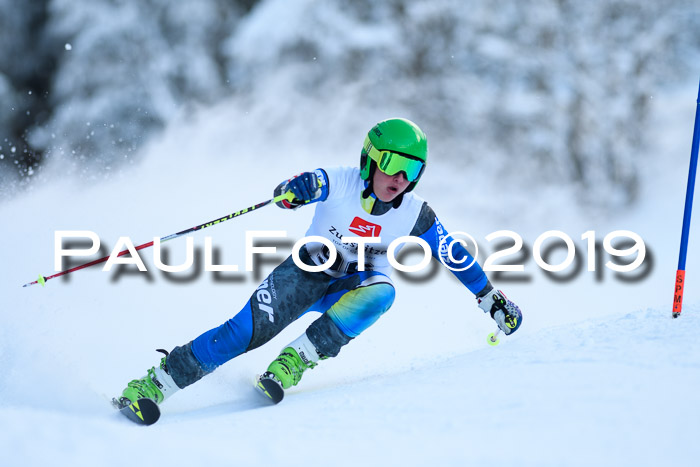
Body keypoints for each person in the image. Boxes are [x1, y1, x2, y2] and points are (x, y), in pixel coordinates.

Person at [113, 118, 523, 408]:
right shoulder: (342, 181)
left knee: (383, 292)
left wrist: (490, 298)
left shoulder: (414, 212)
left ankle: (295, 361)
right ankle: (152, 385)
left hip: (356, 284)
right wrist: (295, 190)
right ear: (371, 159)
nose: (401, 178)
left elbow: (454, 255)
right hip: (306, 274)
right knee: (240, 335)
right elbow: (309, 184)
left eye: (412, 169)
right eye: (394, 164)